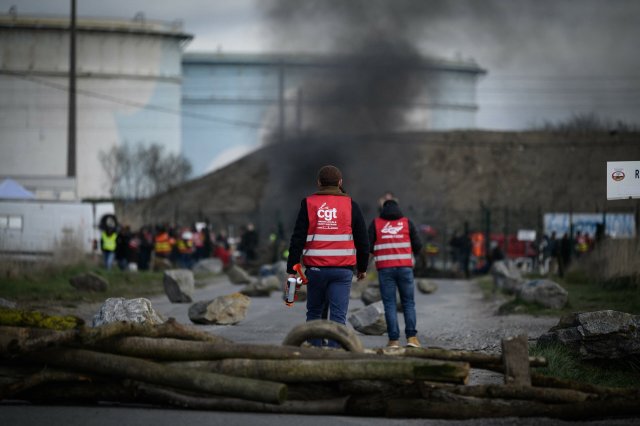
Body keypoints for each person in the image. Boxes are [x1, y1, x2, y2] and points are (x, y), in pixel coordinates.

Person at [286, 165, 369, 348]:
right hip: (342, 271)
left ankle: (314, 353)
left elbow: (297, 238)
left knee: (314, 313)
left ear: (319, 183)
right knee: (338, 317)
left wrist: (292, 268)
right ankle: (335, 357)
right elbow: (363, 241)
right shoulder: (351, 205)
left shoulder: (308, 204)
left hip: (315, 270)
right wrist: (362, 268)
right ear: (340, 183)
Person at [369, 198, 423, 348]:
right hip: (405, 268)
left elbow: (368, 246)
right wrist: (411, 254)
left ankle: (393, 341)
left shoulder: (376, 224)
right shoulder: (407, 223)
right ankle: (412, 338)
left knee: (390, 304)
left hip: (385, 269)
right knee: (408, 303)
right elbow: (418, 245)